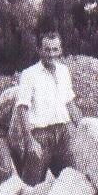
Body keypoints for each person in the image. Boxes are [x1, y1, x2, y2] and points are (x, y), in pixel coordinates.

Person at [11, 30, 82, 186]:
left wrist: (84, 129)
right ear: (39, 50)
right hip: (40, 137)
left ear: (61, 50)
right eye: (47, 49)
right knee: (30, 187)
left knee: (72, 184)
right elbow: (21, 108)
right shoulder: (29, 74)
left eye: (55, 49)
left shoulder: (64, 71)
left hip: (64, 135)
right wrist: (30, 141)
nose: (51, 54)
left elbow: (70, 103)